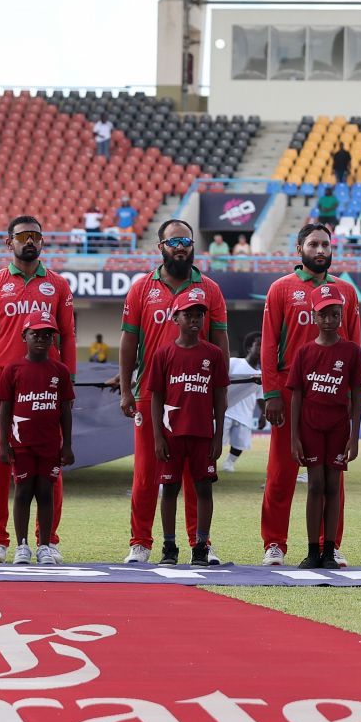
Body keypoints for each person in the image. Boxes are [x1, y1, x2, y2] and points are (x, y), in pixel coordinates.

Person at [118, 220, 228, 565]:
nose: (180, 247)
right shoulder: (141, 288)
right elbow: (128, 341)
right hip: (152, 397)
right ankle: (141, 542)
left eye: (186, 241)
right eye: (173, 241)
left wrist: (218, 391)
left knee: (197, 476)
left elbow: (221, 342)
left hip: (196, 397)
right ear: (160, 245)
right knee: (148, 473)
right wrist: (125, 389)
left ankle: (201, 543)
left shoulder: (209, 289)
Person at [0, 215, 76, 563]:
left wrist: (68, 381)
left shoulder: (58, 285)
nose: (29, 242)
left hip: (45, 388)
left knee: (51, 465)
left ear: (43, 242)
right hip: (4, 385)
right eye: (22, 236)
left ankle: (48, 539)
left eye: (35, 236)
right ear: (9, 243)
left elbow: (69, 335)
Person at [259, 222, 361, 565]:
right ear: (299, 249)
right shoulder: (281, 289)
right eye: (314, 244)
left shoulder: (346, 291)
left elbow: (354, 346)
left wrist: (348, 395)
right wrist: (271, 393)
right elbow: (269, 344)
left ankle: (329, 543)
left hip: (331, 394)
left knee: (334, 473)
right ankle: (274, 542)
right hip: (290, 392)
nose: (321, 251)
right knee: (281, 470)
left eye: (326, 245)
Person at [147, 293, 226, 567]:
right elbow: (156, 397)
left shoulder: (213, 354)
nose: (194, 319)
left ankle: (201, 546)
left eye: (199, 314)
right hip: (171, 435)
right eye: (188, 314)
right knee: (169, 489)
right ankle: (169, 546)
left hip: (203, 434)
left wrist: (219, 435)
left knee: (204, 490)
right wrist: (157, 435)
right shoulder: (164, 354)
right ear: (175, 317)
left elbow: (220, 397)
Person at [287, 291, 361, 569]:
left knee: (333, 486)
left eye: (334, 314)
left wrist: (354, 438)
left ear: (342, 316)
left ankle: (329, 549)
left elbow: (356, 396)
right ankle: (311, 550)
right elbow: (296, 397)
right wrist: (294, 437)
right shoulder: (305, 352)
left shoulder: (351, 351)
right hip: (310, 427)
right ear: (313, 316)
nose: (329, 320)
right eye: (323, 314)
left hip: (338, 428)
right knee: (315, 485)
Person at [0, 317, 75, 566]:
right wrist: (3, 444)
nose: (41, 339)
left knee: (46, 492)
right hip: (21, 443)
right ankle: (22, 546)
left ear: (53, 339)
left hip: (50, 444)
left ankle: (45, 546)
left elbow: (65, 410)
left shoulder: (59, 370)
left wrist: (67, 444)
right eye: (35, 334)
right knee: (23, 491)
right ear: (24, 337)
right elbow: (5, 409)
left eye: (47, 335)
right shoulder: (13, 369)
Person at [222, 339, 259, 473]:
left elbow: (261, 395)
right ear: (250, 347)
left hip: (246, 412)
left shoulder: (263, 373)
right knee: (216, 441)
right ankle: (208, 464)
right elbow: (222, 379)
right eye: (258, 345)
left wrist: (263, 414)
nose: (262, 348)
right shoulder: (234, 362)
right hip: (227, 409)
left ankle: (230, 462)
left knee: (240, 443)